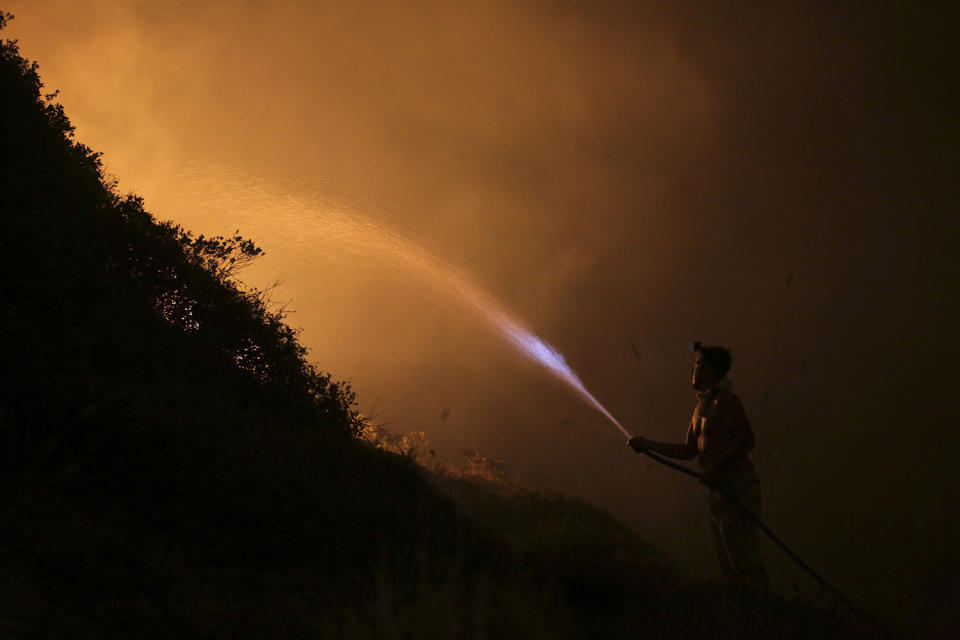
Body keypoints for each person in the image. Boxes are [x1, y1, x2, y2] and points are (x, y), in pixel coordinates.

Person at [628, 344, 768, 585]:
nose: (694, 370)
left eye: (700, 365)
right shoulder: (699, 409)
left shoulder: (725, 402)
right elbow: (688, 450)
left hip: (737, 487)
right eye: (694, 365)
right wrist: (647, 444)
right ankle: (745, 615)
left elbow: (747, 440)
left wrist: (716, 470)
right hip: (718, 491)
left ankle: (768, 613)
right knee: (729, 563)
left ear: (714, 370)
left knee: (744, 561)